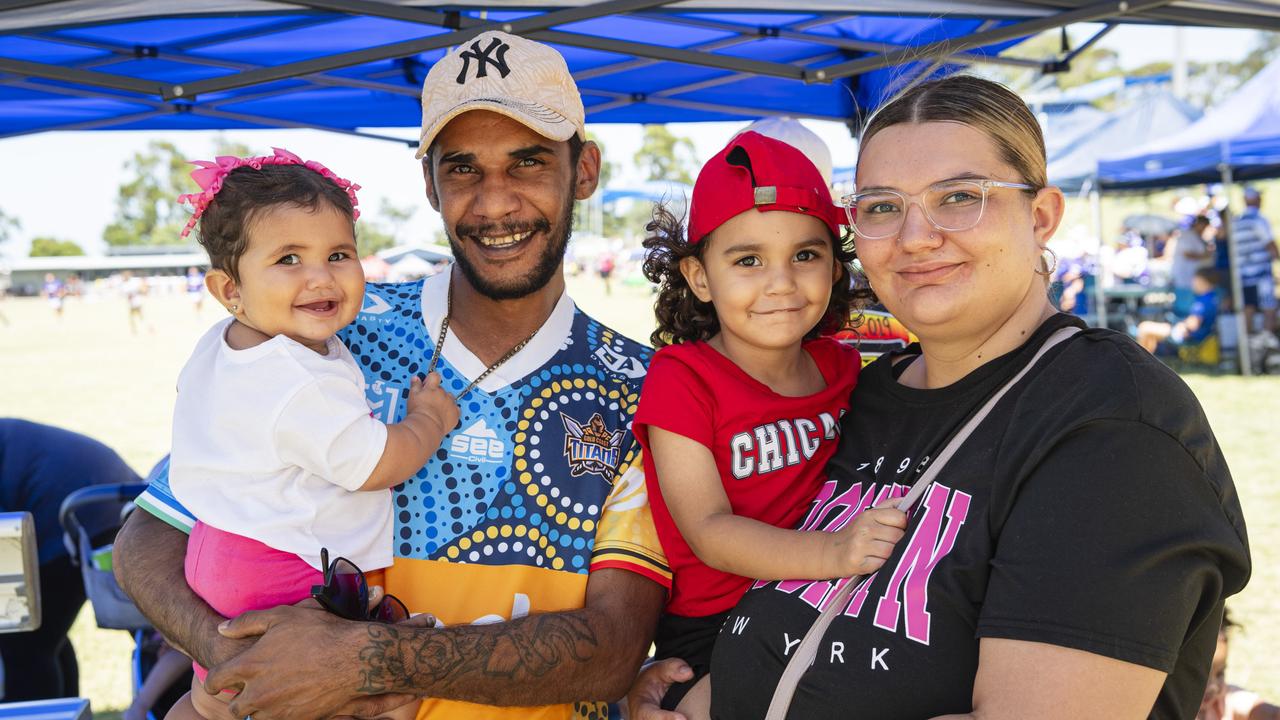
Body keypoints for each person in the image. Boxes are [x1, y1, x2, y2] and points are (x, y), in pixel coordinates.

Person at [629, 75, 1250, 720]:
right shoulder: (863, 396)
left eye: (960, 196)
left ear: (1040, 216)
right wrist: (687, 695)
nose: (916, 235)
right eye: (880, 205)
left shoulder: (1112, 421)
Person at [113, 30, 670, 720]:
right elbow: (149, 536)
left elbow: (615, 647)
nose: (495, 204)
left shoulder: (641, 388)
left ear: (583, 170)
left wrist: (362, 661)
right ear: (429, 184)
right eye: (463, 169)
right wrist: (242, 663)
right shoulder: (323, 330)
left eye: (527, 162)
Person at [162, 149, 459, 720]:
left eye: (339, 254)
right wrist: (428, 419)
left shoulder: (224, 346)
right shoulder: (300, 381)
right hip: (284, 563)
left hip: (219, 549)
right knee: (376, 699)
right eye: (289, 258)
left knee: (221, 694)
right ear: (230, 289)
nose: (320, 276)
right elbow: (378, 463)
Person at [634, 131, 905, 713]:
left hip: (829, 600)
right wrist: (832, 553)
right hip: (716, 623)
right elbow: (707, 529)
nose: (781, 282)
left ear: (835, 267)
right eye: (748, 260)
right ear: (699, 276)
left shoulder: (842, 366)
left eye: (805, 255)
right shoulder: (683, 377)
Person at [0, 418, 143, 700]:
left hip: (80, 510)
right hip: (102, 497)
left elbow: (5, 539)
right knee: (45, 635)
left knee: (25, 642)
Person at [1197, 612, 1280, 720]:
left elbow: (1265, 712)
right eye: (1203, 675)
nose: (1214, 686)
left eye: (1220, 674)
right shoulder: (1171, 710)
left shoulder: (1222, 701)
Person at [1137, 267, 1219, 355]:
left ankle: (1138, 362)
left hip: (1189, 336)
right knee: (1150, 334)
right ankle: (1145, 363)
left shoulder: (1203, 302)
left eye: (1196, 281)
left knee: (1144, 328)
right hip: (1198, 335)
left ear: (1204, 282)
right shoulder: (1213, 298)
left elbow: (1193, 325)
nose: (1193, 284)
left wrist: (1181, 324)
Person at [1234, 188, 1278, 335]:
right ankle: (1267, 344)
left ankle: (1249, 347)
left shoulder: (1237, 222)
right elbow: (1270, 244)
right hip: (1261, 273)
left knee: (1248, 307)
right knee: (1269, 307)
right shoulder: (1258, 219)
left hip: (1243, 274)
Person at [1169, 215, 1214, 316]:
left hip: (1193, 278)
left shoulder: (1198, 237)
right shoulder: (1186, 235)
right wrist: (1205, 255)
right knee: (1184, 307)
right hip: (1184, 277)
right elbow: (1187, 254)